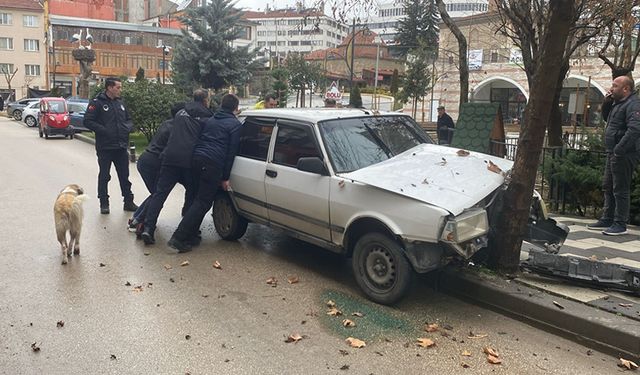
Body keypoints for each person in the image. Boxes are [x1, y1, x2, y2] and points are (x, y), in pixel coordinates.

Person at [167, 94, 242, 252]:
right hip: (212, 163)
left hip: (196, 160)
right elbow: (230, 153)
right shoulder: (234, 125)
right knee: (203, 202)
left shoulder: (212, 119)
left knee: (194, 197)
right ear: (236, 108)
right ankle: (178, 237)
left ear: (222, 105)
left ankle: (191, 235)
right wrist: (225, 177)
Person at [141, 89, 213, 245]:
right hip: (188, 161)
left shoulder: (181, 112)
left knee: (159, 194)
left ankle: (148, 228)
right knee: (192, 193)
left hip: (169, 157)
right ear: (205, 101)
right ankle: (188, 229)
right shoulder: (207, 117)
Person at [587, 76, 640, 235]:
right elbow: (607, 119)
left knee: (620, 188)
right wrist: (607, 103)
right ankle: (607, 218)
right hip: (613, 152)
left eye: (615, 86)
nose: (611, 88)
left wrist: (619, 149)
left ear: (626, 89)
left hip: (624, 153)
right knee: (608, 186)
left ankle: (620, 223)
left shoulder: (633, 105)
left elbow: (635, 130)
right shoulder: (617, 103)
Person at [127, 102, 185, 235]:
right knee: (158, 195)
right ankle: (138, 220)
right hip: (154, 163)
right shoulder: (177, 128)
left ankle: (136, 218)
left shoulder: (167, 123)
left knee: (156, 194)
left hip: (145, 159)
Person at [83, 77, 138, 214]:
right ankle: (104, 203)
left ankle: (128, 201)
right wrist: (104, 130)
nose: (120, 90)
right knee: (104, 176)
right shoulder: (97, 103)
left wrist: (128, 127)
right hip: (105, 147)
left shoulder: (120, 103)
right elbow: (88, 121)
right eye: (118, 87)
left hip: (120, 146)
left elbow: (129, 120)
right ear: (109, 88)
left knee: (124, 176)